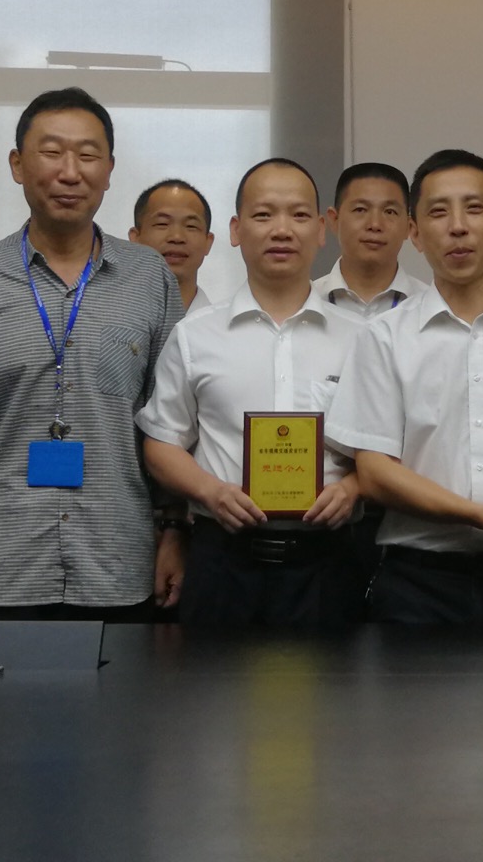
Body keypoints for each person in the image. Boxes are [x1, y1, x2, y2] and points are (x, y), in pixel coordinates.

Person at [0, 88, 183, 621]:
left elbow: (171, 425)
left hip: (119, 562)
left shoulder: (150, 278)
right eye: (51, 152)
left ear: (109, 170)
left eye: (88, 155)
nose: (70, 173)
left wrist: (174, 534)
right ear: (17, 165)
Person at [325, 149, 483, 628]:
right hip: (420, 584)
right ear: (416, 234)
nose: (458, 227)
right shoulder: (384, 337)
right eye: (439, 212)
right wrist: (481, 515)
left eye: (474, 209)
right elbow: (374, 473)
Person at [139, 159, 366, 629]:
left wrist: (352, 488)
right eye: (263, 215)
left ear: (321, 230)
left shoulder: (361, 338)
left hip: (326, 563)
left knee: (334, 680)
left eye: (298, 215)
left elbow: (386, 447)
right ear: (236, 230)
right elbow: (161, 444)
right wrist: (210, 491)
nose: (282, 230)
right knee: (215, 679)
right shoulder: (195, 335)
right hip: (223, 560)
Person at [312, 162, 422, 320]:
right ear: (334, 220)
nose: (375, 224)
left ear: (408, 227)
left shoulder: (429, 306)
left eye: (389, 212)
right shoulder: (306, 303)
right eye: (360, 210)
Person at [131, 178, 216, 313]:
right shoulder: (106, 315)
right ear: (135, 238)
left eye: (191, 226)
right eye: (162, 224)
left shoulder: (225, 324)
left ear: (208, 242)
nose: (177, 237)